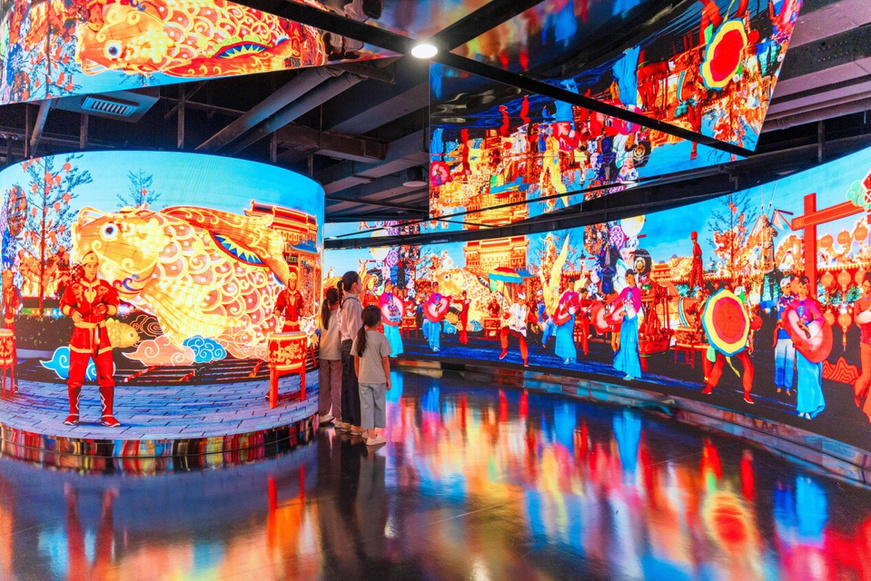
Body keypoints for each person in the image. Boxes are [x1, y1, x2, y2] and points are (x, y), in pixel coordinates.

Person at [59, 251, 121, 427]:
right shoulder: (74, 287)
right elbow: (64, 304)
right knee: (75, 376)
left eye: (95, 266)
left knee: (106, 375)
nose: (92, 269)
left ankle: (107, 415)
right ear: (83, 267)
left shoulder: (105, 286)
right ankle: (73, 414)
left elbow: (115, 306)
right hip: (81, 335)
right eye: (88, 266)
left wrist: (106, 309)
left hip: (100, 335)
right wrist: (72, 312)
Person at [352, 306, 391, 447]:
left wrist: (358, 374)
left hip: (363, 378)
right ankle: (372, 436)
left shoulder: (359, 337)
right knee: (378, 405)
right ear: (378, 322)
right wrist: (388, 378)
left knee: (366, 406)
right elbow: (385, 360)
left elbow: (356, 359)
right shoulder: (381, 339)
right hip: (378, 379)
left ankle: (369, 432)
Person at [792, 276, 826, 419]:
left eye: (805, 287)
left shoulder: (812, 304)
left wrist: (808, 327)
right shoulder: (793, 305)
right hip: (799, 344)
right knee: (802, 375)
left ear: (808, 288)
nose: (802, 289)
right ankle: (803, 407)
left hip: (810, 343)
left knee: (810, 374)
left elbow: (820, 319)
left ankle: (812, 406)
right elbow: (789, 320)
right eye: (800, 286)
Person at [338, 271, 364, 435]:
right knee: (355, 382)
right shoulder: (353, 303)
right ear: (355, 285)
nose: (362, 284)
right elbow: (355, 330)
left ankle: (346, 420)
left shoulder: (345, 301)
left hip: (345, 344)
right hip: (353, 344)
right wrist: (361, 348)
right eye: (360, 281)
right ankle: (356, 423)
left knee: (347, 382)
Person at [318, 288, 343, 425]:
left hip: (323, 354)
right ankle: (338, 417)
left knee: (324, 386)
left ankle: (323, 414)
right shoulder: (339, 316)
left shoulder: (322, 316)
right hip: (336, 355)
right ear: (338, 301)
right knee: (336, 386)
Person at [612, 271, 642, 381]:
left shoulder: (637, 291)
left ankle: (632, 372)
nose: (629, 279)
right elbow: (616, 301)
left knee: (630, 346)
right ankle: (626, 369)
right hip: (625, 321)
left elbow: (637, 306)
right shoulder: (624, 291)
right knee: (624, 344)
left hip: (632, 320)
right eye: (627, 277)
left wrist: (627, 313)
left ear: (634, 278)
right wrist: (610, 312)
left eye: (630, 277)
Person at [772, 277, 796, 396]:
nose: (788, 289)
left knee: (790, 362)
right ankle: (778, 385)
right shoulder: (778, 300)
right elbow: (767, 303)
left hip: (791, 336)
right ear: (782, 288)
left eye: (789, 286)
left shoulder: (795, 300)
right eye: (786, 287)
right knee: (779, 362)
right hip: (781, 336)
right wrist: (757, 306)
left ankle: (788, 386)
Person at [853, 273, 871, 422]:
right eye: (865, 286)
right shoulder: (859, 303)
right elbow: (859, 321)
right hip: (866, 343)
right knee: (867, 375)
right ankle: (856, 392)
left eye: (870, 287)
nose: (867, 289)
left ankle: (869, 409)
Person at [1, 270, 20, 391]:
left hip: (14, 325)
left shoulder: (15, 292)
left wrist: (15, 310)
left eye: (6, 280)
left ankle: (16, 383)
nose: (4, 282)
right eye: (3, 280)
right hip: (4, 325)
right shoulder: (3, 292)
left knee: (13, 354)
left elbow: (19, 305)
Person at [499, 289, 529, 367]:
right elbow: (508, 314)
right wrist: (504, 313)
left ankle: (525, 360)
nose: (520, 301)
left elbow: (532, 317)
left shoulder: (527, 309)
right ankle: (504, 350)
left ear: (524, 300)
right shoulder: (514, 306)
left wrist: (539, 323)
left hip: (521, 331)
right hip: (513, 328)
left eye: (522, 300)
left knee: (522, 343)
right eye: (519, 299)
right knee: (503, 331)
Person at [554, 287, 579, 364]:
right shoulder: (565, 294)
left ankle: (570, 356)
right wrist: (563, 307)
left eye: (572, 283)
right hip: (563, 319)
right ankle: (565, 356)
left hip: (570, 318)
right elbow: (560, 304)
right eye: (570, 283)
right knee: (560, 333)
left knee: (566, 335)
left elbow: (577, 306)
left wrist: (571, 309)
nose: (571, 285)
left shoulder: (576, 295)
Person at [379, 282, 404, 356]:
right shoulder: (383, 295)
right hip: (387, 317)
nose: (390, 287)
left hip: (393, 316)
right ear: (386, 286)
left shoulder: (392, 295)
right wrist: (388, 309)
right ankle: (387, 351)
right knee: (388, 334)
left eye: (391, 286)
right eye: (389, 286)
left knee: (393, 334)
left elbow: (397, 303)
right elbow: (382, 305)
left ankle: (393, 351)